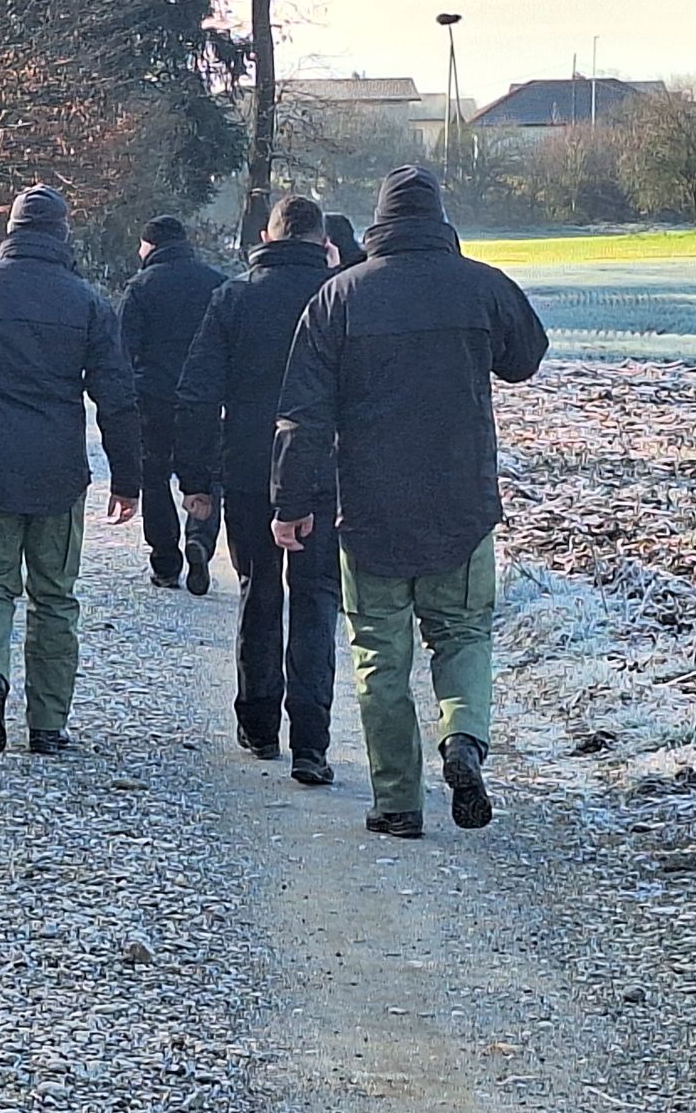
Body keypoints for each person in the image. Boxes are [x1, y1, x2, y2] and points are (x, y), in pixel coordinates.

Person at [270, 165, 548, 838]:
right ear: (440, 217)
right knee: (462, 635)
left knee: (379, 654)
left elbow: (302, 416)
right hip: (462, 500)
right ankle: (463, 739)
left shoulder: (338, 298)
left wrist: (291, 501)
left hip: (370, 508)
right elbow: (526, 357)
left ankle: (397, 799)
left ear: (379, 220)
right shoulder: (481, 285)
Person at [0, 183, 141, 757]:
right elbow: (117, 395)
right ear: (62, 233)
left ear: (9, 232)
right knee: (55, 597)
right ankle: (47, 723)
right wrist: (128, 478)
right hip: (57, 471)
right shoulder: (85, 301)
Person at [176, 194, 348, 782]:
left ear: (267, 238)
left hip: (249, 469)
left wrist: (196, 481)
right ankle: (312, 740)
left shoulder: (233, 298)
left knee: (258, 588)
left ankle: (257, 723)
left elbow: (198, 393)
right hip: (324, 473)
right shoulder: (339, 298)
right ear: (322, 241)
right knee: (316, 597)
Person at [118, 215, 227, 594]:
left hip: (155, 398)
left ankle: (166, 560)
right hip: (207, 399)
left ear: (151, 245)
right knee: (208, 474)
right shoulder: (216, 284)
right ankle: (200, 537)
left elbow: (122, 351)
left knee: (155, 476)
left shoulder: (140, 287)